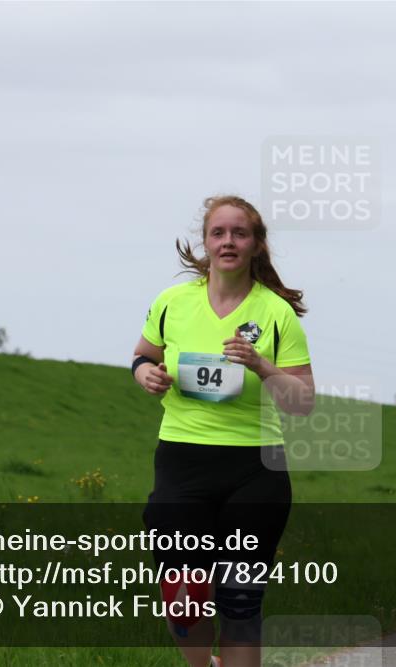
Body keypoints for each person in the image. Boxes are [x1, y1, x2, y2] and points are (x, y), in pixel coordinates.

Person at [134, 196, 315, 667]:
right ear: (206, 243)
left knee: (239, 603)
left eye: (239, 233)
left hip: (254, 468)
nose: (228, 241)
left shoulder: (275, 313)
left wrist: (261, 364)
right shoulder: (172, 303)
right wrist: (145, 375)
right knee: (183, 600)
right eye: (219, 233)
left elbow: (303, 402)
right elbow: (143, 356)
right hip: (181, 462)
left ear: (256, 245)